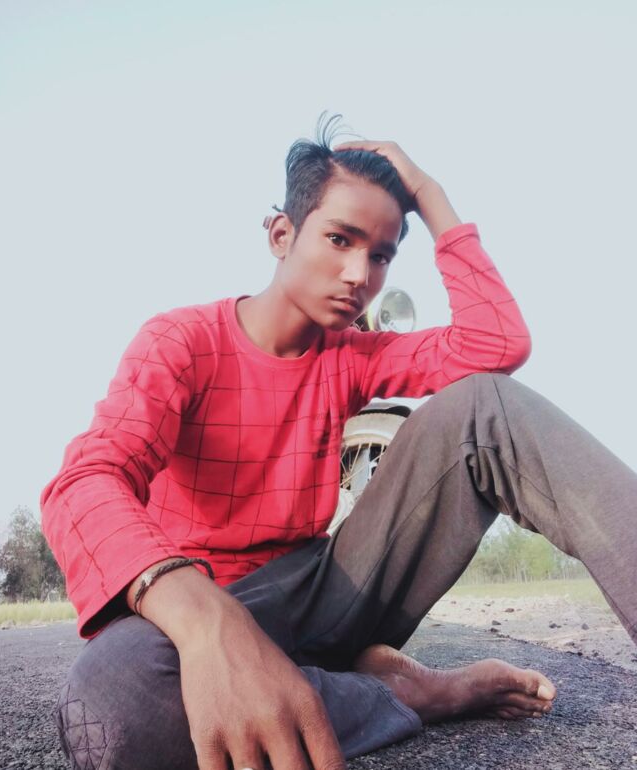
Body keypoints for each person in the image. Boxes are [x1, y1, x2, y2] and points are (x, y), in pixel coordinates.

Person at [41, 112, 637, 770]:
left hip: (325, 591)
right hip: (203, 603)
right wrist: (209, 620)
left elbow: (497, 344)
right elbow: (85, 481)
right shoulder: (181, 341)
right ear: (281, 235)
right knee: (113, 702)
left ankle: (323, 683)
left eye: (380, 255)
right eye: (339, 239)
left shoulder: (351, 357)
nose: (359, 273)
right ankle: (414, 695)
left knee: (486, 404)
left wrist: (430, 194)